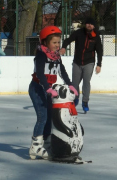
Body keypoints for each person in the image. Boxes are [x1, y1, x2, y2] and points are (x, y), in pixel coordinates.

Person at [28, 26, 78, 159]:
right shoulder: (41, 55)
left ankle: (46, 141)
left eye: (58, 42)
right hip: (38, 88)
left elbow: (62, 71)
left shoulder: (56, 57)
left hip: (48, 90)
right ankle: (36, 146)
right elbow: (40, 73)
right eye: (54, 42)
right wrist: (47, 88)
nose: (57, 45)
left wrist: (70, 85)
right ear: (45, 42)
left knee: (50, 117)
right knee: (42, 117)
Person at [59, 17, 103, 113]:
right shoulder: (79, 33)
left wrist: (99, 64)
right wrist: (63, 47)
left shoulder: (96, 37)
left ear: (94, 26)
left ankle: (85, 102)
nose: (89, 25)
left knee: (86, 82)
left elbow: (99, 51)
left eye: (91, 24)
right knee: (75, 83)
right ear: (85, 24)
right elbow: (68, 39)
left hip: (89, 62)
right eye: (88, 23)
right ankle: (75, 99)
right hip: (77, 62)